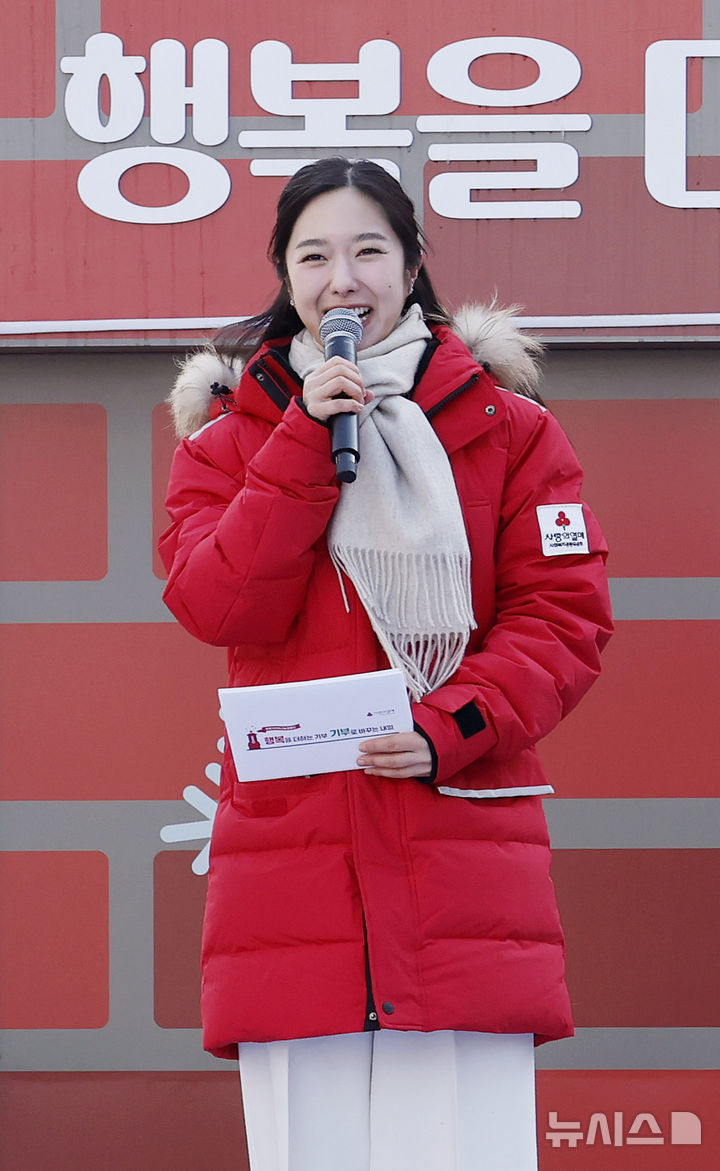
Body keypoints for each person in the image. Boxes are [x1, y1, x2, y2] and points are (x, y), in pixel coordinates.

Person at [159, 157, 613, 1171]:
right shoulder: (229, 444)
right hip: (292, 872)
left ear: (411, 266)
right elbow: (216, 600)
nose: (343, 279)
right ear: (284, 272)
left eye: (370, 250)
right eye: (314, 255)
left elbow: (566, 615)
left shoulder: (512, 429)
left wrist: (450, 725)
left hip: (458, 861)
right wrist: (301, 440)